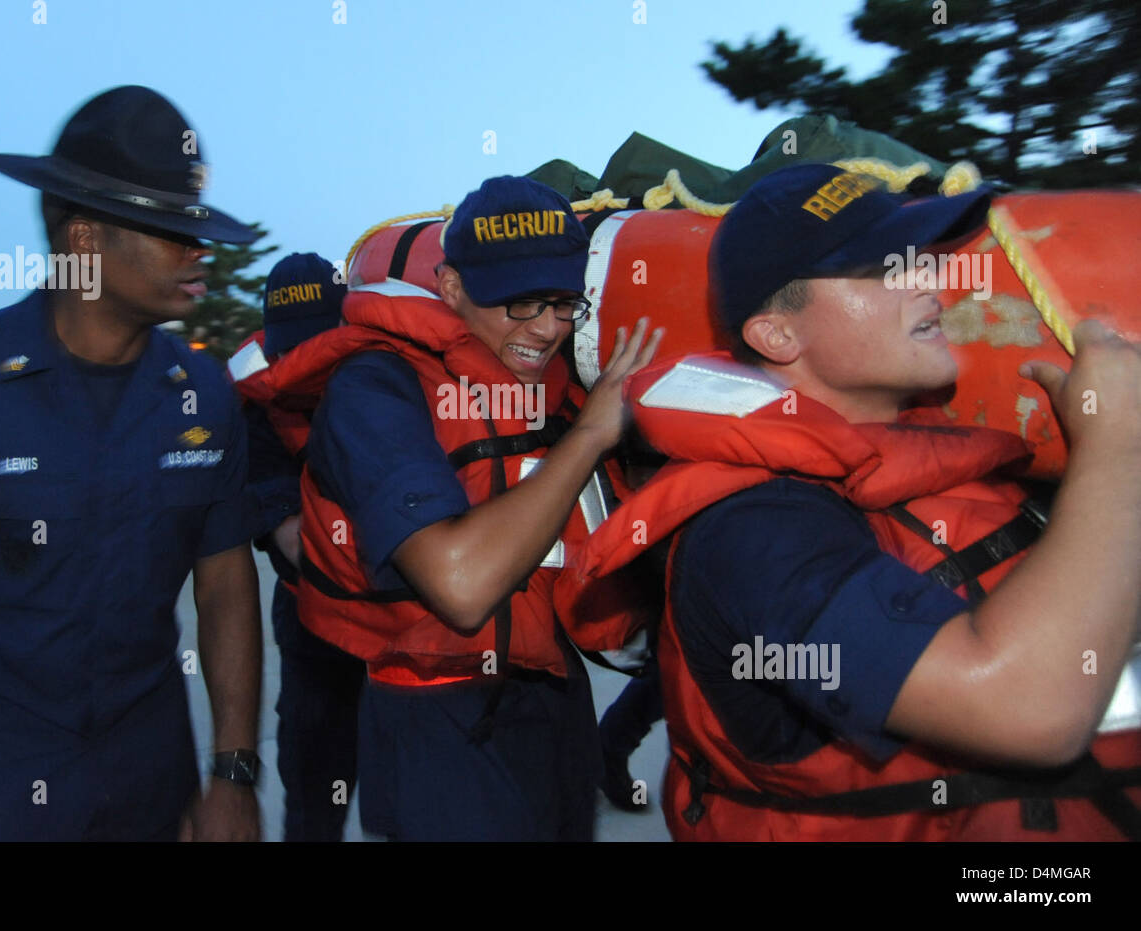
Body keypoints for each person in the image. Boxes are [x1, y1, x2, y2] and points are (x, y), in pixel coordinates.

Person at [558, 162, 1141, 840]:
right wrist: (1118, 449)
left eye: (920, 257)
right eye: (879, 268)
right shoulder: (753, 534)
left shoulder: (957, 461)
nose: (927, 280)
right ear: (778, 335)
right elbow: (1025, 707)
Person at [0, 85, 265, 841]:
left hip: (147, 786)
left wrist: (233, 771)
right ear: (85, 240)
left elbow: (226, 583)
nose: (199, 250)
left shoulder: (203, 395)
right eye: (172, 230)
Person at [261, 176, 661, 840]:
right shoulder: (376, 387)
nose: (546, 328)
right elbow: (461, 584)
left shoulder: (551, 383)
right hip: (437, 723)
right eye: (521, 303)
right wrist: (593, 431)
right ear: (449, 288)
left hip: (556, 703)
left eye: (564, 305)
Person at [228, 251, 365, 841]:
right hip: (313, 624)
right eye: (291, 351)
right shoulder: (257, 413)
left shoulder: (387, 382)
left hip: (414, 631)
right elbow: (301, 545)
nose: (304, 365)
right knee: (315, 782)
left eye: (321, 346)